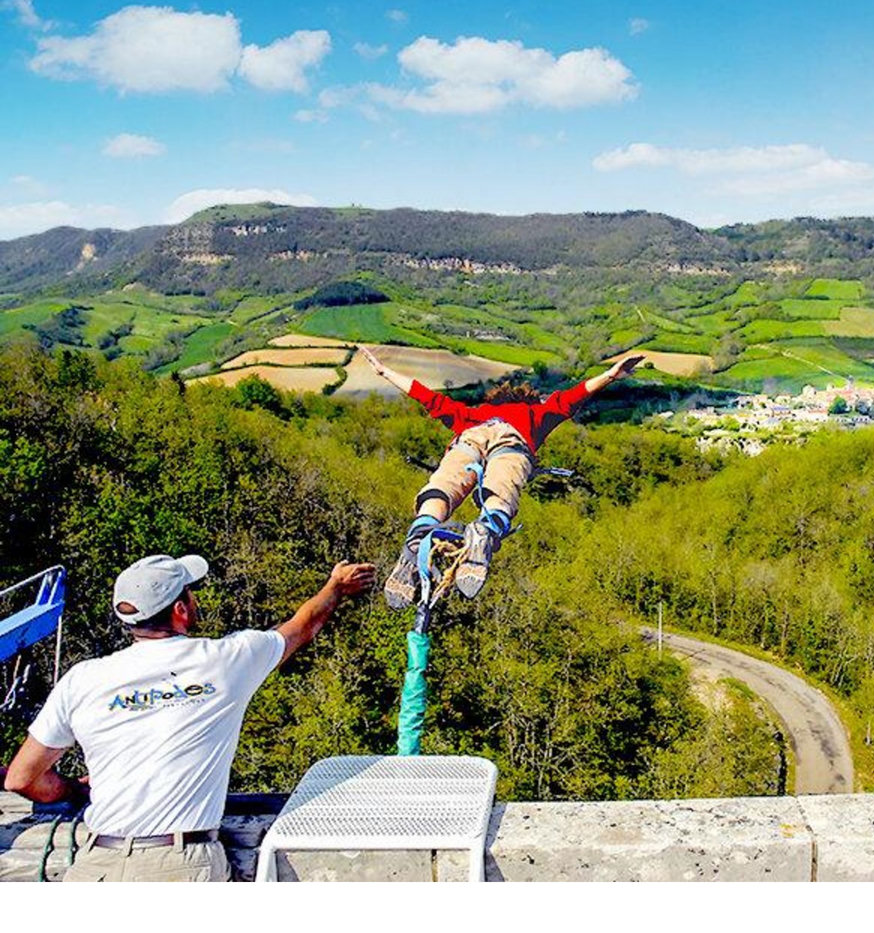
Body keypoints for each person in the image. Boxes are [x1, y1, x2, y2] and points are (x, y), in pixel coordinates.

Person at [3, 552, 375, 882]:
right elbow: (302, 626)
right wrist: (336, 587)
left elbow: (21, 778)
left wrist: (73, 790)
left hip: (96, 864)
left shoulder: (82, 679)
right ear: (180, 610)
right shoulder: (224, 661)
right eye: (190, 593)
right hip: (180, 865)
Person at [360, 349, 644, 605]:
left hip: (469, 438)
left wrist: (384, 372)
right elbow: (570, 399)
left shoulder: (472, 414)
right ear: (528, 399)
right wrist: (610, 375)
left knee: (443, 485)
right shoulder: (536, 413)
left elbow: (427, 397)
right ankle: (486, 529)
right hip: (513, 440)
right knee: (501, 487)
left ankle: (419, 533)